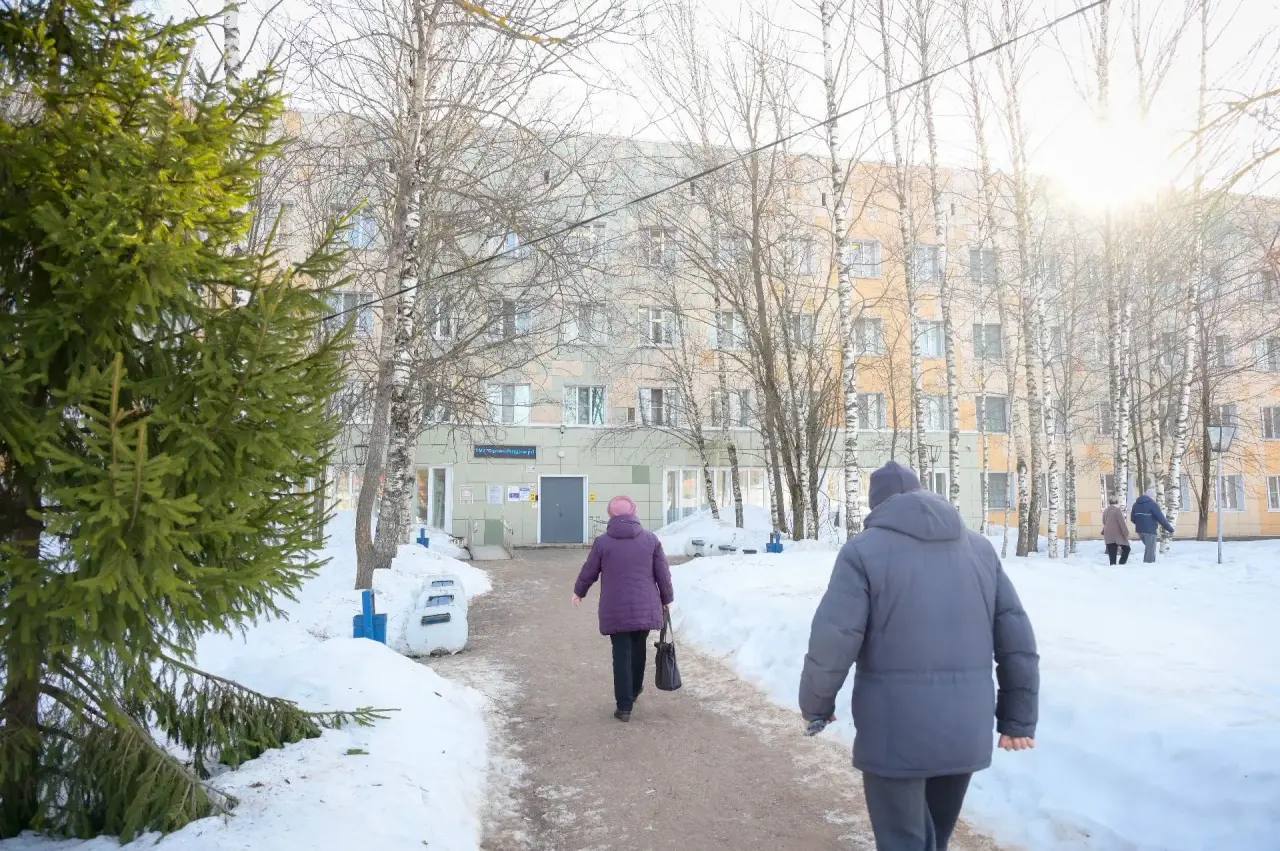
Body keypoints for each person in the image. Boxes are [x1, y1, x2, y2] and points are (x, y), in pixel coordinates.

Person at [799, 461, 1039, 851]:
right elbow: (1016, 639)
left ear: (876, 504)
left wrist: (816, 706)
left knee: (903, 841)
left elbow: (833, 640)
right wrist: (1018, 718)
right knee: (933, 840)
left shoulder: (863, 551)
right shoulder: (979, 550)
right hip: (965, 726)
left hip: (894, 732)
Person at [572, 495, 673, 722]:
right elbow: (663, 574)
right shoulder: (650, 540)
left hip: (615, 609)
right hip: (645, 606)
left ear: (610, 515)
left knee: (621, 654)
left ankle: (624, 707)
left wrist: (579, 592)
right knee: (638, 650)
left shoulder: (603, 542)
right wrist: (667, 598)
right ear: (634, 512)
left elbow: (589, 570)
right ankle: (635, 690)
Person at [1130, 488, 1175, 564]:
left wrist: (1140, 524)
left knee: (1149, 548)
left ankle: (1147, 565)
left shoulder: (1136, 504)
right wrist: (1170, 529)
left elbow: (1132, 518)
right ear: (1152, 496)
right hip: (1150, 530)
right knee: (1150, 550)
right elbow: (1161, 518)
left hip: (1140, 531)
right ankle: (1148, 567)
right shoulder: (1152, 504)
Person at [1101, 494, 1133, 565]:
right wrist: (1126, 533)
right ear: (1116, 502)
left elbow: (1104, 521)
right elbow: (1122, 523)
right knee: (1127, 549)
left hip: (1108, 535)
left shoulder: (1105, 510)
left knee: (1112, 555)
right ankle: (1121, 563)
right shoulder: (1117, 510)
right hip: (1117, 534)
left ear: (1109, 502)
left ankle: (1113, 567)